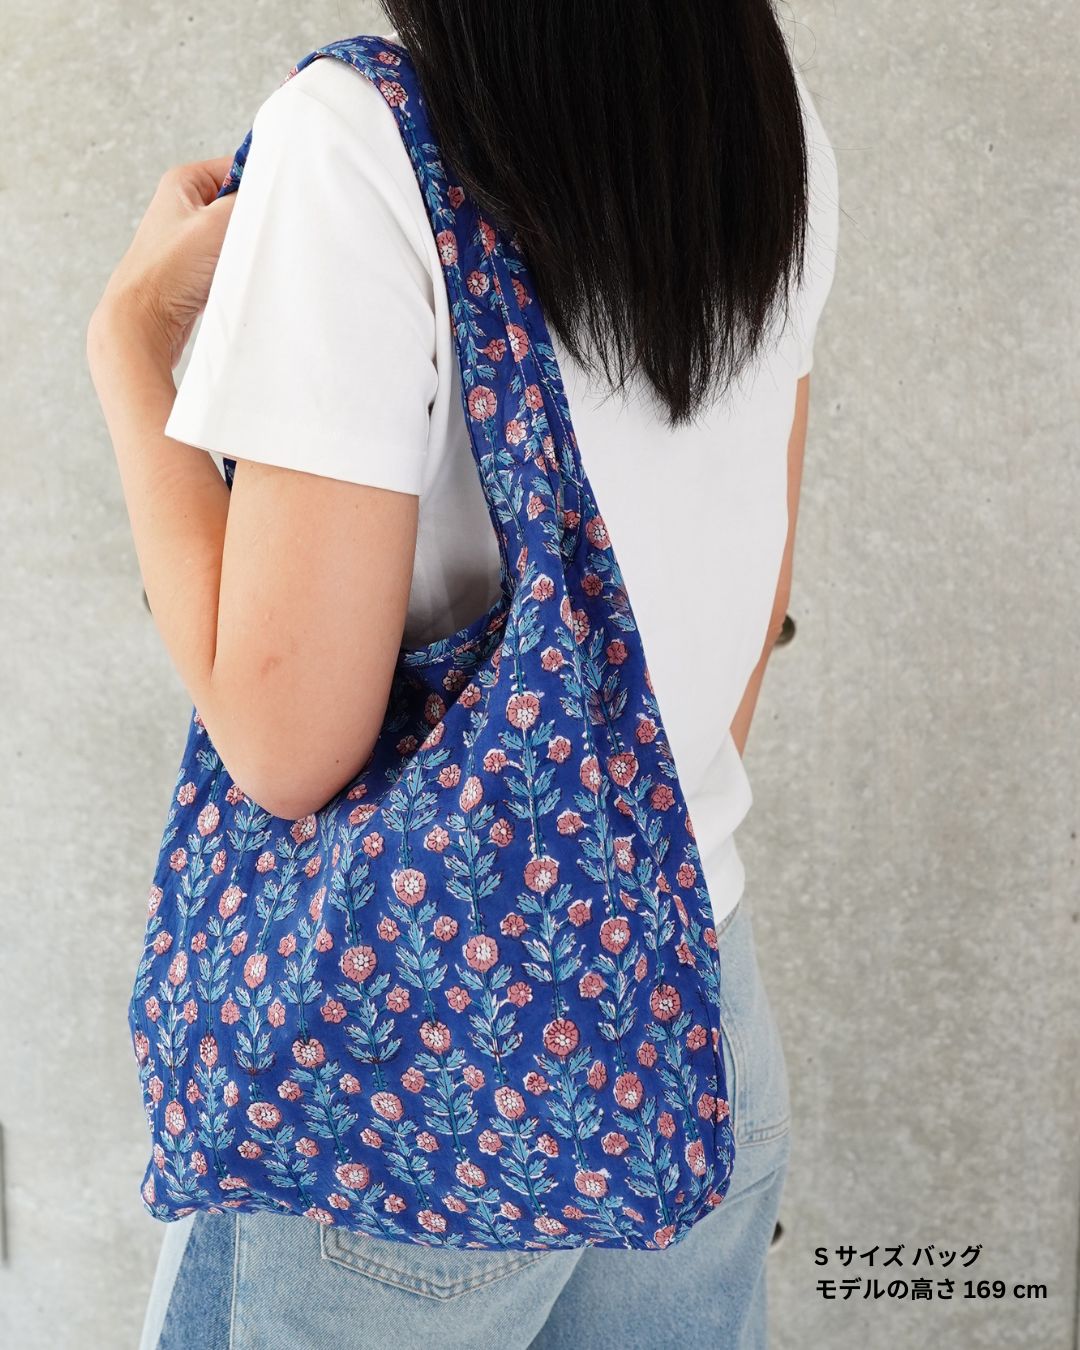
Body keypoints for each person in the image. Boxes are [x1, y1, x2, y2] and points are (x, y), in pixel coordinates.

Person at [87, 4, 838, 1346]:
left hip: (417, 1077)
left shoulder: (359, 145)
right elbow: (729, 654)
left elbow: (284, 746)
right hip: (696, 1026)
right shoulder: (764, 130)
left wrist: (131, 349)